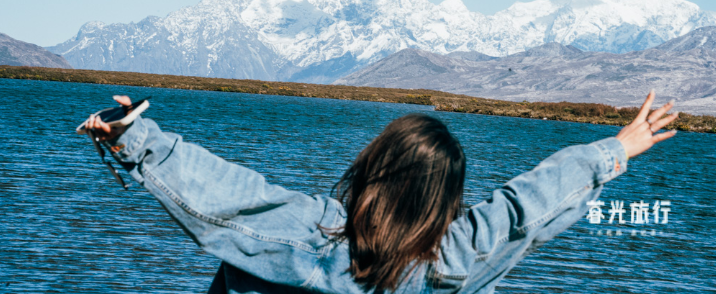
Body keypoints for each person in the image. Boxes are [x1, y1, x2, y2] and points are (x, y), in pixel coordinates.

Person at [82, 90, 678, 293]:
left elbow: (227, 194)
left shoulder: (310, 234)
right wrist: (614, 151)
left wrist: (137, 138)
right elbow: (527, 210)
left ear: (373, 169)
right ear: (445, 199)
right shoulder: (456, 259)